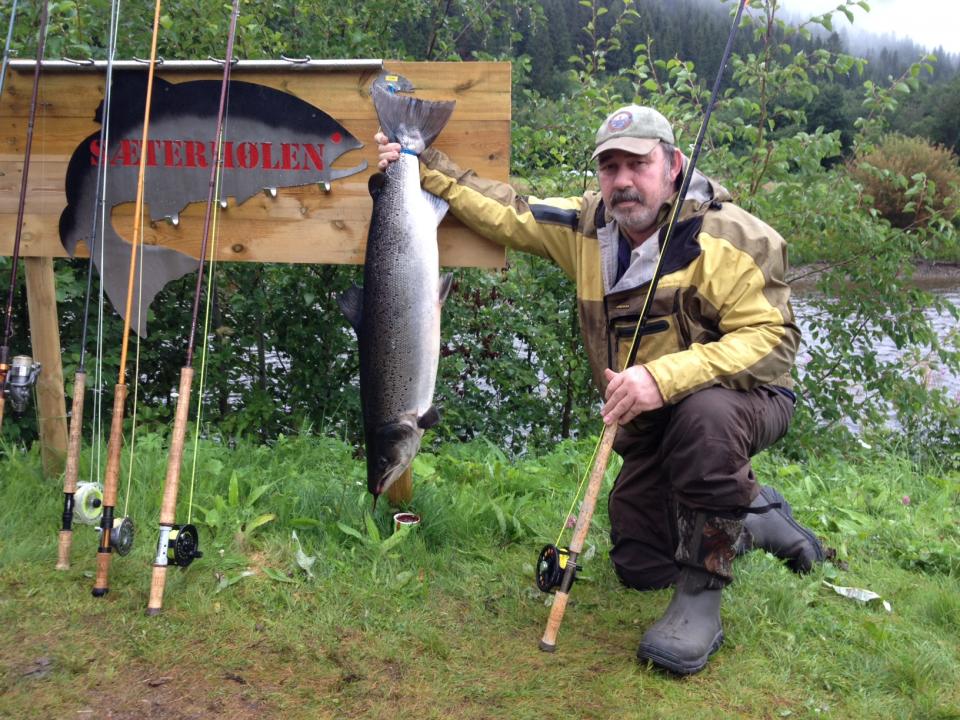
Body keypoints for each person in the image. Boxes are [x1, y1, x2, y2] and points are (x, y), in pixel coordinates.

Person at [376, 104, 824, 675]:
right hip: (650, 424)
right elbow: (506, 211)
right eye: (609, 167)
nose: (623, 181)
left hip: (743, 401)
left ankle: (700, 600)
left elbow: (775, 341)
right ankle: (752, 513)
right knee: (639, 564)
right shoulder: (587, 227)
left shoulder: (732, 238)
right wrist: (418, 165)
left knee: (705, 420)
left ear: (674, 165)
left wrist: (663, 377)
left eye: (638, 164)